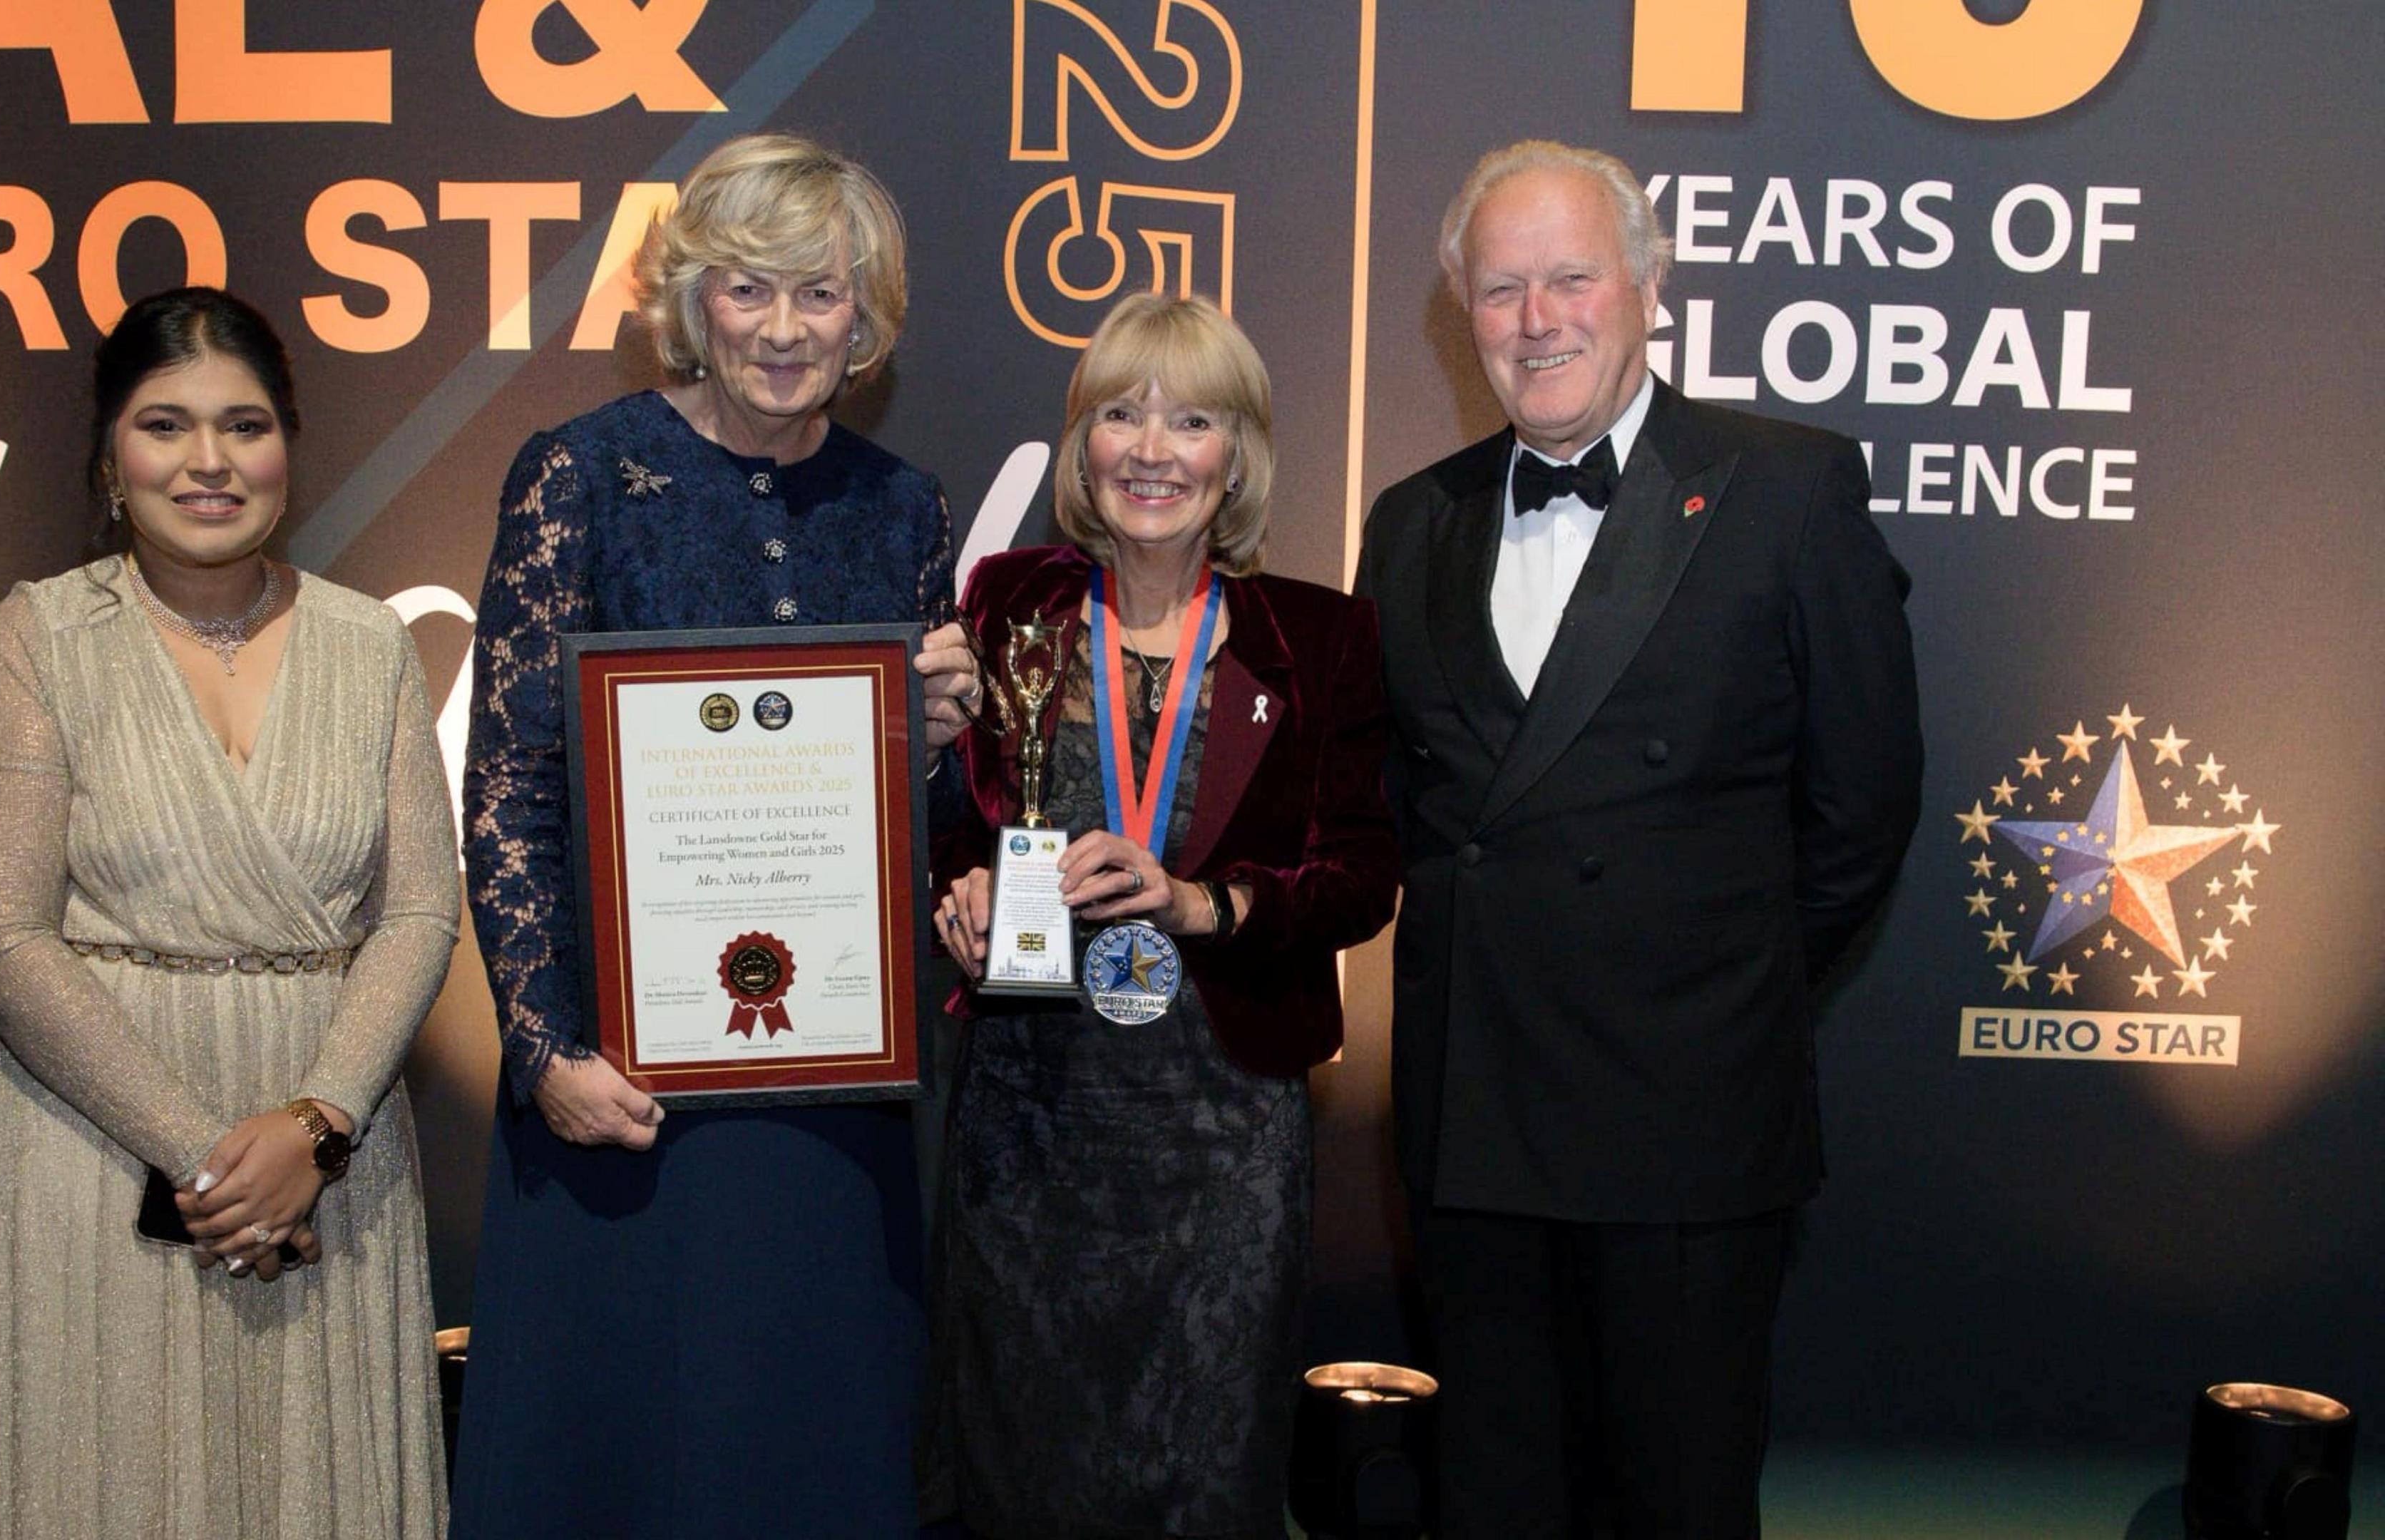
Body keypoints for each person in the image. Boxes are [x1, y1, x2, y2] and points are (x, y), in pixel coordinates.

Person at [1355, 140, 1923, 1537]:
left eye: (1569, 280)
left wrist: (1708, 985)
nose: (1536, 320)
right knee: (1493, 1499)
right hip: (1472, 1117)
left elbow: (1865, 804)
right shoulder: (1411, 519)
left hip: (1686, 1125)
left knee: (1674, 1502)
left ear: (1649, 287)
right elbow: (1382, 801)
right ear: (1459, 313)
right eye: (1500, 291)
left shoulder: (1785, 489)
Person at [451, 132, 982, 1539]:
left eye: (820, 294)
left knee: (809, 1462)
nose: (786, 328)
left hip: (825, 1101)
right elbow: (510, 777)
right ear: (692, 298)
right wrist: (544, 1044)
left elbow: (922, 829)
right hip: (620, 1091)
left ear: (866, 316)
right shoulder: (576, 474)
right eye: (749, 290)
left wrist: (943, 745)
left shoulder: (905, 506)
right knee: (610, 1466)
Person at [0, 286, 458, 1538]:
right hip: (98, 1137)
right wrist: (214, 1158)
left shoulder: (370, 642)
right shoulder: (40, 638)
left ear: (288, 445)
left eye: (246, 424)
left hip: (334, 1153)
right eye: (166, 425)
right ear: (110, 458)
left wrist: (316, 1130)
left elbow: (421, 913)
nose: (211, 462)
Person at [927, 293, 1400, 1540]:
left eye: (1191, 420)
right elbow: (952, 822)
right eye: (1121, 414)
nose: (1151, 449)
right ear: (1082, 443)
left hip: (1224, 1136)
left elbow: (1362, 876)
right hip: (1031, 1122)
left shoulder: (1320, 636)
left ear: (1236, 453)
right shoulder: (1006, 606)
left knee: (1205, 1467)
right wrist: (959, 896)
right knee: (1021, 1463)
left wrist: (1205, 901)